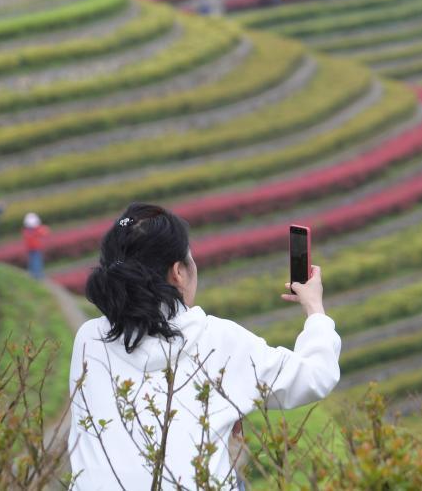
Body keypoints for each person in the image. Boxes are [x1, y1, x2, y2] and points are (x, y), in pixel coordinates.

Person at [69, 203, 340, 490]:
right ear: (178, 273)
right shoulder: (216, 340)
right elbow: (315, 376)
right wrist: (314, 307)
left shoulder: (89, 339)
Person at [22, 212, 50, 279]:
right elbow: (45, 232)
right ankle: (37, 275)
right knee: (36, 262)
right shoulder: (35, 231)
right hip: (35, 249)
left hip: (30, 249)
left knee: (32, 262)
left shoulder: (26, 231)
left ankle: (33, 274)